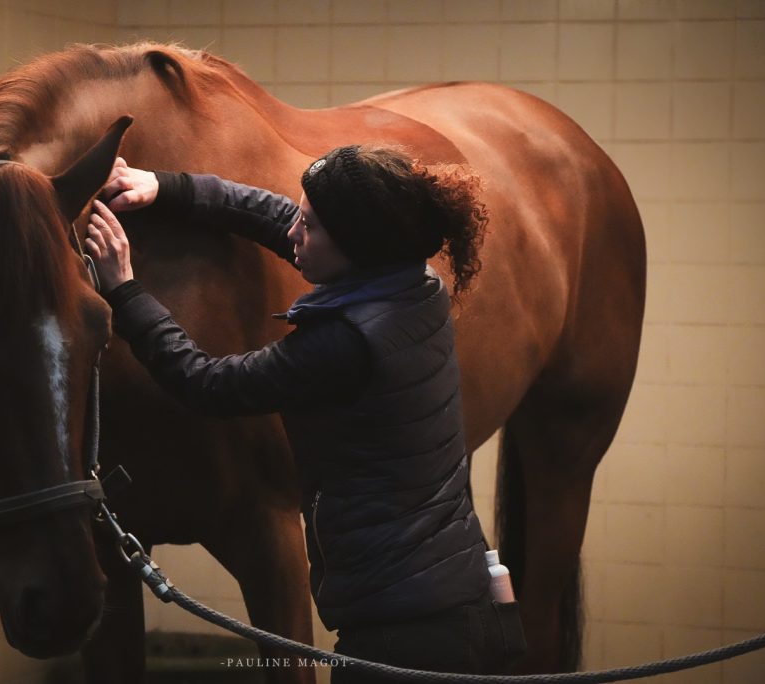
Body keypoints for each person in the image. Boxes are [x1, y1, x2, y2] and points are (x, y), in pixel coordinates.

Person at [84, 145, 524, 680]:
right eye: (302, 214)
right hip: (456, 599)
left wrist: (124, 288)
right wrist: (166, 184)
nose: (294, 231)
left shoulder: (343, 344)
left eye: (310, 227)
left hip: (404, 637)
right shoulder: (415, 284)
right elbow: (279, 217)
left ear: (354, 246)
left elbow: (208, 383)